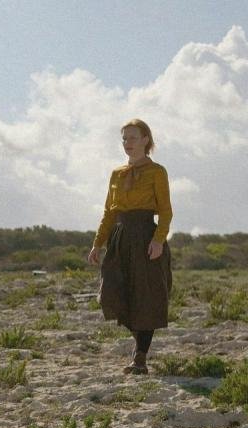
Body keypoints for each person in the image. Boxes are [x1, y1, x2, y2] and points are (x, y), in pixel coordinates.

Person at [87, 119, 173, 374]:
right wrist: (97, 244)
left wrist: (158, 240)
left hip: (146, 237)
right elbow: (109, 213)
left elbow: (166, 211)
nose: (128, 143)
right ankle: (139, 345)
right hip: (120, 238)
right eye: (124, 138)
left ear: (146, 140)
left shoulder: (157, 172)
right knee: (112, 294)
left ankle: (140, 357)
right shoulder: (117, 173)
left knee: (146, 297)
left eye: (133, 138)